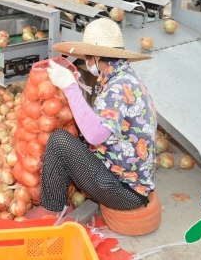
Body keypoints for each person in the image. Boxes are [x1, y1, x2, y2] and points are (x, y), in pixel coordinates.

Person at [26, 18, 157, 220]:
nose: (86, 64)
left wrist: (70, 87)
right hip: (127, 180)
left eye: (87, 58)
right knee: (71, 139)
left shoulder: (117, 87)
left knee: (60, 141)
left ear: (96, 57)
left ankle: (52, 209)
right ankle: (59, 200)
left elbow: (96, 135)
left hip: (124, 192)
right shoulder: (124, 77)